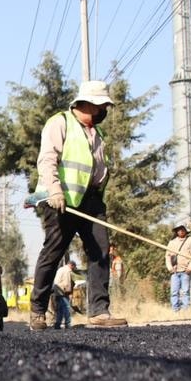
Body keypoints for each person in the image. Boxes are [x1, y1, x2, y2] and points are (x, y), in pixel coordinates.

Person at [29, 80, 129, 330]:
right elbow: (47, 160)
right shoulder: (60, 123)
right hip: (62, 201)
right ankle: (38, 311)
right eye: (103, 105)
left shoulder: (97, 133)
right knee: (53, 252)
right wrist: (54, 190)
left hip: (91, 201)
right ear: (90, 104)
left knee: (101, 251)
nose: (105, 110)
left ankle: (99, 311)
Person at [165, 224, 191, 312]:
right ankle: (175, 310)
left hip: (186, 271)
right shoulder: (172, 242)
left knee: (185, 291)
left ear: (186, 231)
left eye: (182, 229)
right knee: (174, 292)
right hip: (175, 271)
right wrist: (170, 268)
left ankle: (186, 310)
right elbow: (167, 256)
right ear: (176, 231)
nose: (181, 231)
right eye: (179, 230)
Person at [52, 260, 76, 329]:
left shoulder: (61, 269)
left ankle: (57, 324)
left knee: (60, 309)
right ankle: (68, 324)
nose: (73, 269)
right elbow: (67, 283)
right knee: (67, 307)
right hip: (62, 292)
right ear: (71, 265)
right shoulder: (67, 271)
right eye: (73, 267)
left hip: (57, 291)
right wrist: (69, 292)